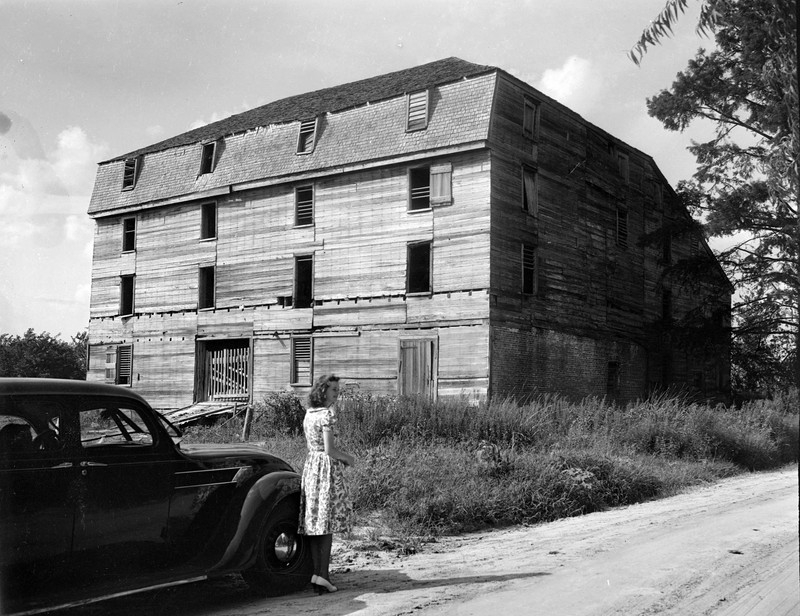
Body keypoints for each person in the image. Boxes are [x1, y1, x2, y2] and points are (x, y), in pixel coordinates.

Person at [298, 374, 355, 594]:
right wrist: (347, 458)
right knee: (327, 523)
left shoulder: (309, 414)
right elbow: (330, 450)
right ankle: (324, 574)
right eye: (333, 390)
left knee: (315, 523)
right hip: (325, 468)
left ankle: (317, 573)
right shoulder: (327, 415)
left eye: (337, 390)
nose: (337, 394)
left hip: (311, 466)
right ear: (323, 391)